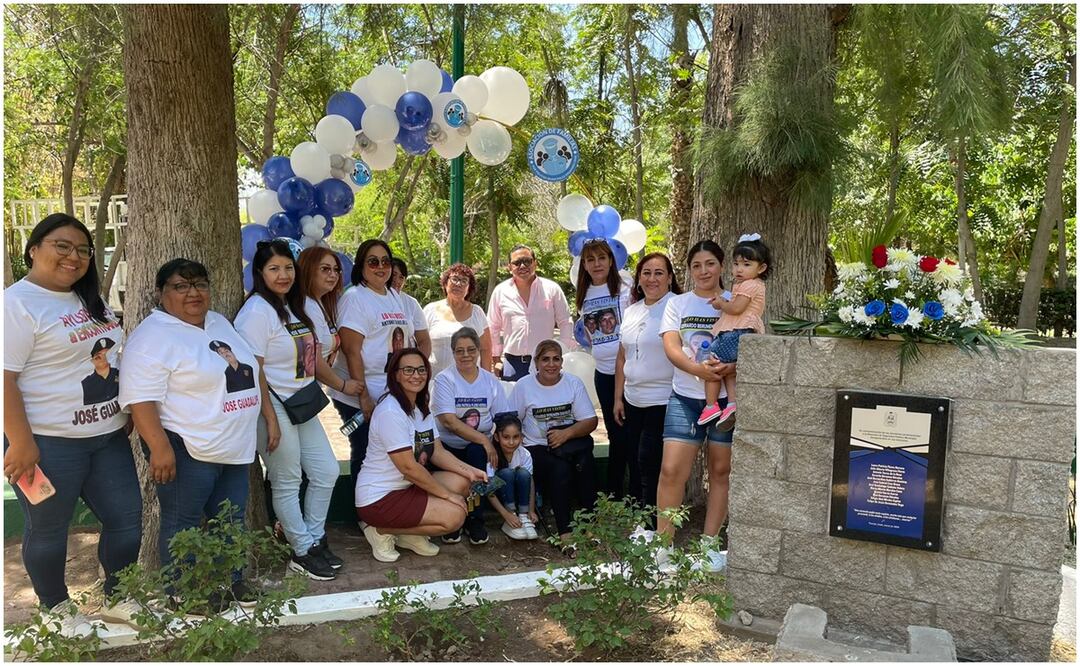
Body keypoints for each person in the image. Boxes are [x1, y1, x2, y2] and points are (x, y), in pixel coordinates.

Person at [3, 213, 141, 635]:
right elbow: (4, 378)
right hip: (49, 442)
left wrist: (127, 410)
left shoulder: (88, 300)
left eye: (83, 250)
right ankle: (56, 609)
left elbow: (111, 359)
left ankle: (120, 598)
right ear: (34, 249)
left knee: (127, 519)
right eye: (62, 246)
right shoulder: (16, 304)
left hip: (107, 436)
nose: (74, 256)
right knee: (48, 529)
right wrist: (20, 442)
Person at [120, 258, 264, 613]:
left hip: (233, 447)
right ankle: (180, 590)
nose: (193, 293)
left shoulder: (218, 322)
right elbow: (140, 399)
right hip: (186, 447)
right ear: (160, 293)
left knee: (229, 517)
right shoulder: (152, 336)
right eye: (180, 286)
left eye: (200, 284)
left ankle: (230, 580)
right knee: (181, 521)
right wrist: (159, 448)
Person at [236, 239, 363, 581]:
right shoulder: (256, 312)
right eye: (274, 268)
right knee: (287, 479)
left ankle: (314, 537)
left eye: (288, 267)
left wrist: (338, 385)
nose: (283, 275)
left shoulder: (293, 308)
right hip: (273, 404)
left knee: (326, 471)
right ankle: (302, 550)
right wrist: (270, 418)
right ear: (260, 273)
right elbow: (253, 371)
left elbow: (311, 360)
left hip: (302, 401)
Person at [356, 348, 488, 562]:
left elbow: (437, 451)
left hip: (407, 488)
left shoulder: (419, 407)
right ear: (396, 375)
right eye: (408, 370)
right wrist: (447, 496)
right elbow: (408, 468)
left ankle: (407, 532)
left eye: (421, 370)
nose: (416, 375)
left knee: (464, 482)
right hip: (380, 497)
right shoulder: (391, 411)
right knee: (455, 517)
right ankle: (380, 530)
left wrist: (471, 471)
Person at [657, 240, 736, 573]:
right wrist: (699, 371)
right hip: (686, 399)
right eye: (696, 266)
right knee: (672, 471)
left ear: (721, 266)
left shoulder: (736, 301)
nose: (704, 271)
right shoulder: (677, 303)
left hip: (725, 403)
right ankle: (663, 547)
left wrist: (730, 368)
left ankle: (708, 547)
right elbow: (672, 347)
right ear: (689, 271)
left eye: (710, 264)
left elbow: (751, 341)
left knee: (720, 471)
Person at [329, 240, 428, 500]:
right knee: (364, 450)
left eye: (385, 261)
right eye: (373, 262)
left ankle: (390, 507)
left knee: (392, 452)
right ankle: (365, 514)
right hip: (363, 393)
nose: (380, 267)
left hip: (390, 393)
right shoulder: (354, 299)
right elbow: (352, 351)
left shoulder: (392, 295)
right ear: (361, 265)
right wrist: (363, 398)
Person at [510, 339, 598, 555]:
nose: (551, 364)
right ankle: (564, 532)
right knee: (560, 469)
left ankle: (590, 524)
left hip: (568, 443)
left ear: (562, 361)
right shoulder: (524, 386)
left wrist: (566, 434)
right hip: (536, 446)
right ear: (536, 362)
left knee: (585, 461)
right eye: (545, 359)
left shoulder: (573, 383)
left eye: (556, 359)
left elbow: (590, 420)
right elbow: (512, 420)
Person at [613, 253, 681, 527]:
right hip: (632, 399)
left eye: (659, 273)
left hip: (663, 398)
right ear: (639, 278)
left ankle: (653, 524)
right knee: (636, 459)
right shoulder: (632, 310)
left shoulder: (676, 307)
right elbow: (622, 356)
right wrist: (618, 397)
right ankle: (643, 517)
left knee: (649, 460)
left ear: (669, 278)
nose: (652, 279)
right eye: (646, 273)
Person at [430, 327, 510, 545]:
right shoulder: (444, 380)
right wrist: (484, 439)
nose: (465, 355)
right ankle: (454, 520)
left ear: (478, 351)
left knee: (477, 453)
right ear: (453, 352)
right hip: (448, 447)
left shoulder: (490, 381)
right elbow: (448, 421)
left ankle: (474, 520)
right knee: (475, 451)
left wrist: (496, 442)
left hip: (479, 448)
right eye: (459, 351)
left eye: (471, 350)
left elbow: (502, 417)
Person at [573, 239, 632, 501]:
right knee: (616, 434)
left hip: (630, 372)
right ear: (584, 265)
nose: (596, 264)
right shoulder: (583, 294)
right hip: (603, 374)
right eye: (590, 260)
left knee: (632, 436)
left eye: (601, 258)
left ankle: (636, 493)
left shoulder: (626, 289)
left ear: (611, 261)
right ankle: (616, 493)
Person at [698, 234, 771, 427]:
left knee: (713, 362)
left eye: (746, 264)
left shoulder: (749, 285)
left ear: (761, 268)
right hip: (740, 331)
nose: (739, 269)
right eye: (736, 264)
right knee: (730, 371)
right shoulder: (751, 284)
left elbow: (736, 308)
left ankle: (711, 405)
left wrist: (722, 303)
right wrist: (721, 304)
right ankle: (732, 403)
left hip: (735, 332)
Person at [487, 244, 574, 381]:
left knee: (545, 401)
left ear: (535, 264)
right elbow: (493, 327)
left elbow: (565, 322)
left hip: (545, 363)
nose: (522, 266)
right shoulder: (500, 292)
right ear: (510, 267)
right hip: (512, 364)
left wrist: (561, 353)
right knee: (513, 402)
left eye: (527, 261)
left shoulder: (552, 289)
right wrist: (496, 359)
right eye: (517, 263)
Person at [423, 263, 492, 377]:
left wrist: (487, 380)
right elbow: (421, 344)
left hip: (469, 382)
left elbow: (486, 349)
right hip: (435, 380)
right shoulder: (430, 310)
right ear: (445, 283)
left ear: (469, 288)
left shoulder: (477, 312)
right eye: (454, 279)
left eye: (464, 281)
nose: (458, 284)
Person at [488, 414, 538, 541]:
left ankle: (523, 516)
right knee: (507, 473)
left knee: (523, 473)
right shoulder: (492, 456)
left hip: (519, 497)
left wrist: (531, 510)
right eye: (506, 437)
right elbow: (489, 489)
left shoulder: (524, 454)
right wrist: (506, 515)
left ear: (521, 437)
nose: (511, 442)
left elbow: (530, 482)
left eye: (516, 437)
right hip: (500, 499)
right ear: (497, 437)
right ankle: (511, 516)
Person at [298, 247, 344, 367]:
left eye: (336, 270)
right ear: (308, 269)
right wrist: (344, 386)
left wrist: (334, 350)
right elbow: (314, 361)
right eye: (325, 269)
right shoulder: (308, 305)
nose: (333, 275)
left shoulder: (321, 302)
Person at [390, 257, 432, 356]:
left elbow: (424, 341)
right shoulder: (373, 298)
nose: (397, 280)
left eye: (401, 277)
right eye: (393, 275)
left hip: (405, 366)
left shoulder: (411, 303)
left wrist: (418, 366)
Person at [81, 338, 119, 405]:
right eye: (98, 357)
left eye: (107, 354)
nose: (104, 359)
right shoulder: (86, 384)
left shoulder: (120, 374)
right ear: (92, 361)